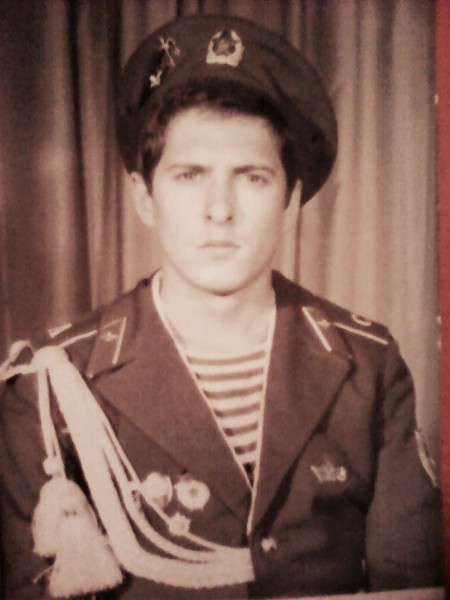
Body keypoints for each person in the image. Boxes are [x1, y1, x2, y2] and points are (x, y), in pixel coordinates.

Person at [0, 14, 442, 600]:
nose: (219, 210)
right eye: (189, 175)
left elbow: (412, 585)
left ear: (291, 201)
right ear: (144, 197)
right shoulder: (53, 382)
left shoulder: (369, 364)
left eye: (252, 178)